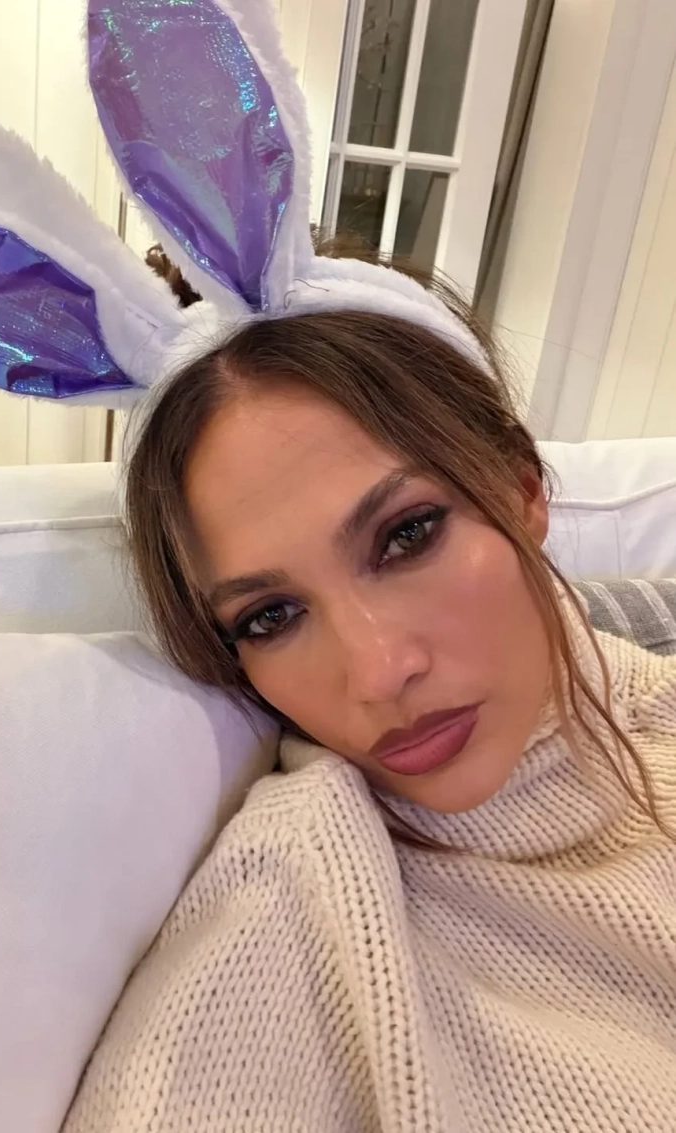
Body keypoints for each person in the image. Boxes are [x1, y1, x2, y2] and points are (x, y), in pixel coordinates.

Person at [62, 240, 676, 1133]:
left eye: (407, 535)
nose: (379, 671)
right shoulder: (296, 908)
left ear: (523, 487)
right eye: (271, 616)